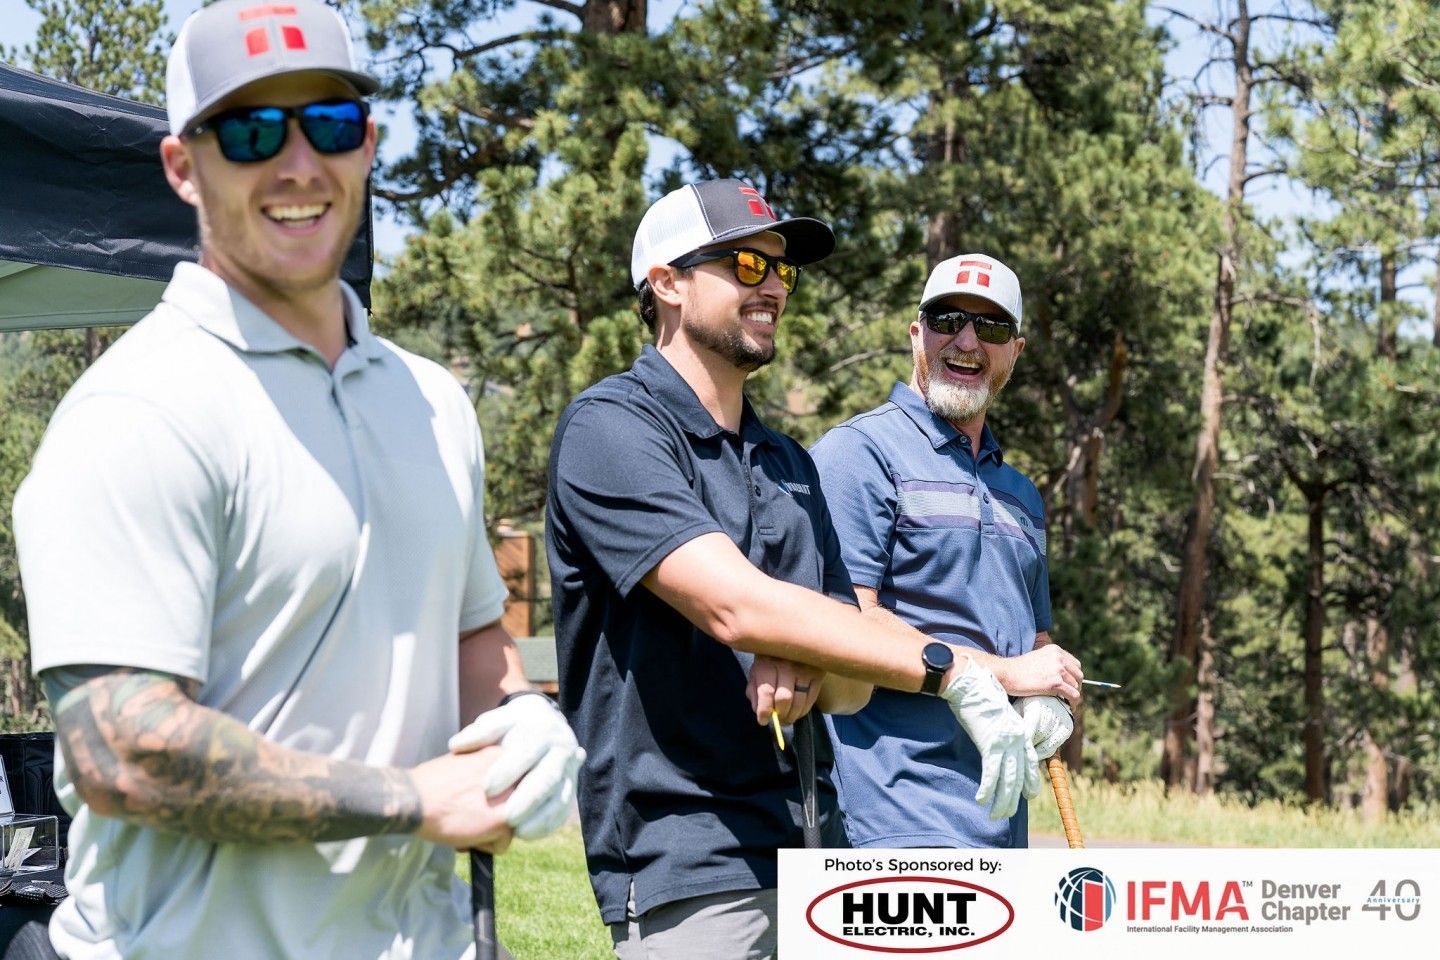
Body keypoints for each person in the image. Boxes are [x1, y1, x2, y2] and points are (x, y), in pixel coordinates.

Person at [12, 2, 582, 958]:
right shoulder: (135, 413)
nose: (297, 164)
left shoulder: (433, 401)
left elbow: (471, 639)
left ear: (366, 144)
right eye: (249, 129)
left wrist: (526, 721)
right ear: (183, 168)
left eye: (329, 122)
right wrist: (409, 801)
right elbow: (124, 754)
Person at [545, 181, 1080, 959]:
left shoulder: (788, 463)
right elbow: (735, 607)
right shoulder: (613, 428)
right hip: (689, 853)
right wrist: (959, 669)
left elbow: (849, 676)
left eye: (781, 273)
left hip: (812, 848)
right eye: (744, 265)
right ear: (664, 282)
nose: (771, 288)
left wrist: (808, 658)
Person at [809, 253, 1079, 849]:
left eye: (991, 328)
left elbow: (1033, 641)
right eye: (947, 319)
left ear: (1016, 350)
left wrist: (1049, 694)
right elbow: (846, 624)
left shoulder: (1021, 495)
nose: (966, 341)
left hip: (1002, 823)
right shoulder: (859, 454)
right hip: (889, 822)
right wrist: (1008, 675)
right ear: (915, 335)